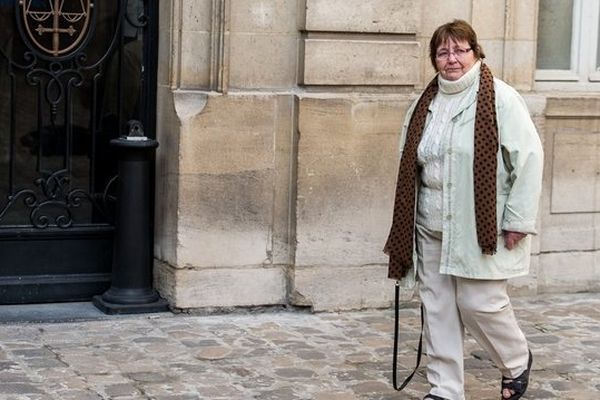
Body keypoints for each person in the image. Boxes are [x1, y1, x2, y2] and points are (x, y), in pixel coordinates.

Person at [384, 20, 543, 400]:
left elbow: (530, 158)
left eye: (460, 50)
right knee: (437, 307)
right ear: (434, 58)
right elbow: (414, 163)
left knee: (479, 303)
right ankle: (445, 389)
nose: (452, 59)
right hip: (429, 224)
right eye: (443, 52)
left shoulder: (500, 98)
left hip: (477, 225)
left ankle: (516, 360)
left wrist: (518, 219)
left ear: (475, 52)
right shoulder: (426, 103)